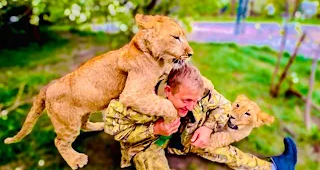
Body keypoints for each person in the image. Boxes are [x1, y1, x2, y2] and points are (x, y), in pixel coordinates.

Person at [104, 63, 297, 170]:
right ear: (168, 90)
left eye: (195, 101)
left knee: (222, 150)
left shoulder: (200, 90)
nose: (191, 107)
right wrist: (154, 129)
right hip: (149, 145)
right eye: (186, 101)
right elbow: (115, 129)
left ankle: (275, 168)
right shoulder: (138, 100)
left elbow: (223, 106)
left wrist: (207, 128)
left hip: (189, 139)